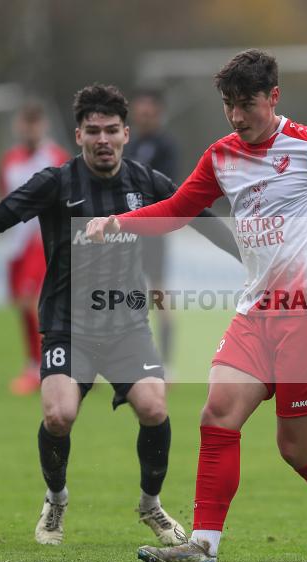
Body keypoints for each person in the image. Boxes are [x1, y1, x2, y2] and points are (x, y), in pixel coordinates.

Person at [86, 49, 307, 562]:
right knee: (218, 414)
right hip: (256, 311)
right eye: (228, 105)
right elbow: (179, 210)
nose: (237, 116)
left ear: (274, 97)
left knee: (298, 448)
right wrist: (117, 221)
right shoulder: (220, 156)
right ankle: (202, 547)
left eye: (246, 104)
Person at [0, 84, 240, 547]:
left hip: (126, 324)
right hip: (69, 327)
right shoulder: (56, 183)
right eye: (93, 131)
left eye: (111, 130)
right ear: (80, 136)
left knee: (154, 407)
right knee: (59, 416)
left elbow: (203, 218)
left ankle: (151, 505)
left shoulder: (146, 182)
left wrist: (254, 263)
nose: (103, 139)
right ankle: (56, 498)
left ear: (126, 134)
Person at [0, 102, 69, 395]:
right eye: (25, 123)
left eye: (35, 123)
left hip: (42, 240)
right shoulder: (10, 160)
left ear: (44, 126)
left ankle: (46, 367)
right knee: (22, 305)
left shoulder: (56, 157)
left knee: (33, 302)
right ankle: (37, 364)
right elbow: (5, 198)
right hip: (16, 242)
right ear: (18, 126)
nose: (30, 129)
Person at [123, 89, 179, 366]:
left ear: (158, 114)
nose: (143, 118)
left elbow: (168, 190)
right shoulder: (127, 145)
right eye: (139, 112)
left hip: (153, 232)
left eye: (148, 113)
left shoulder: (166, 146)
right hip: (125, 233)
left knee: (158, 295)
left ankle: (166, 365)